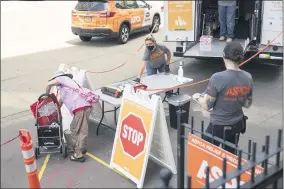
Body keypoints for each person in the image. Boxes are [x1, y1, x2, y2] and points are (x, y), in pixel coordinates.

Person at [192, 41, 253, 154]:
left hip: (219, 125)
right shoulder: (248, 77)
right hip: (237, 123)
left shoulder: (217, 77)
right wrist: (236, 96)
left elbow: (207, 105)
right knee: (229, 156)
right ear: (241, 57)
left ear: (224, 56)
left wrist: (196, 97)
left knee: (205, 153)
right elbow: (247, 104)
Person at [45, 71, 92, 162]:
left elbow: (48, 84)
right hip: (83, 107)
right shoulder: (65, 88)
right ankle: (80, 148)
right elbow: (59, 104)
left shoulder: (63, 79)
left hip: (81, 108)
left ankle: (79, 154)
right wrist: (51, 114)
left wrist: (46, 96)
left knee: (79, 131)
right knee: (75, 128)